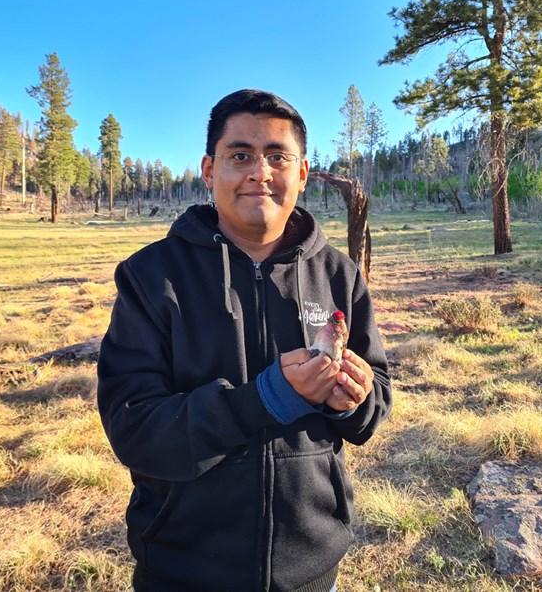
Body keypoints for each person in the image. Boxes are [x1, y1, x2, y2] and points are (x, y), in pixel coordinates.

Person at [97, 89, 392, 592]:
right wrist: (266, 399)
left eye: (278, 156)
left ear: (301, 174)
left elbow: (377, 396)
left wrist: (356, 400)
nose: (260, 172)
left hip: (314, 569)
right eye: (240, 156)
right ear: (210, 171)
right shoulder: (151, 277)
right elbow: (134, 430)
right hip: (182, 570)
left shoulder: (339, 274)